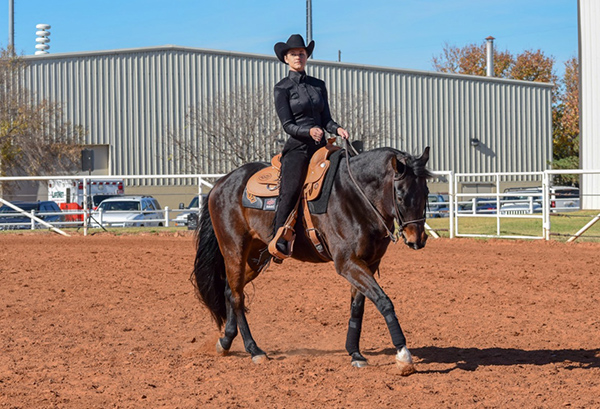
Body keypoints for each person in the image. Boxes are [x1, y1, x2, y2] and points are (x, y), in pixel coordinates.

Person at [269, 34, 349, 259]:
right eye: (293, 54)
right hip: (298, 147)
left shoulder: (318, 85)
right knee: (291, 188)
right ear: (286, 58)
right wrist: (308, 131)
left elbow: (327, 119)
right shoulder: (282, 88)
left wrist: (337, 129)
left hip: (322, 145)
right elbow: (287, 125)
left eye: (302, 53)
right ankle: (279, 238)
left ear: (307, 57)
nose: (298, 57)